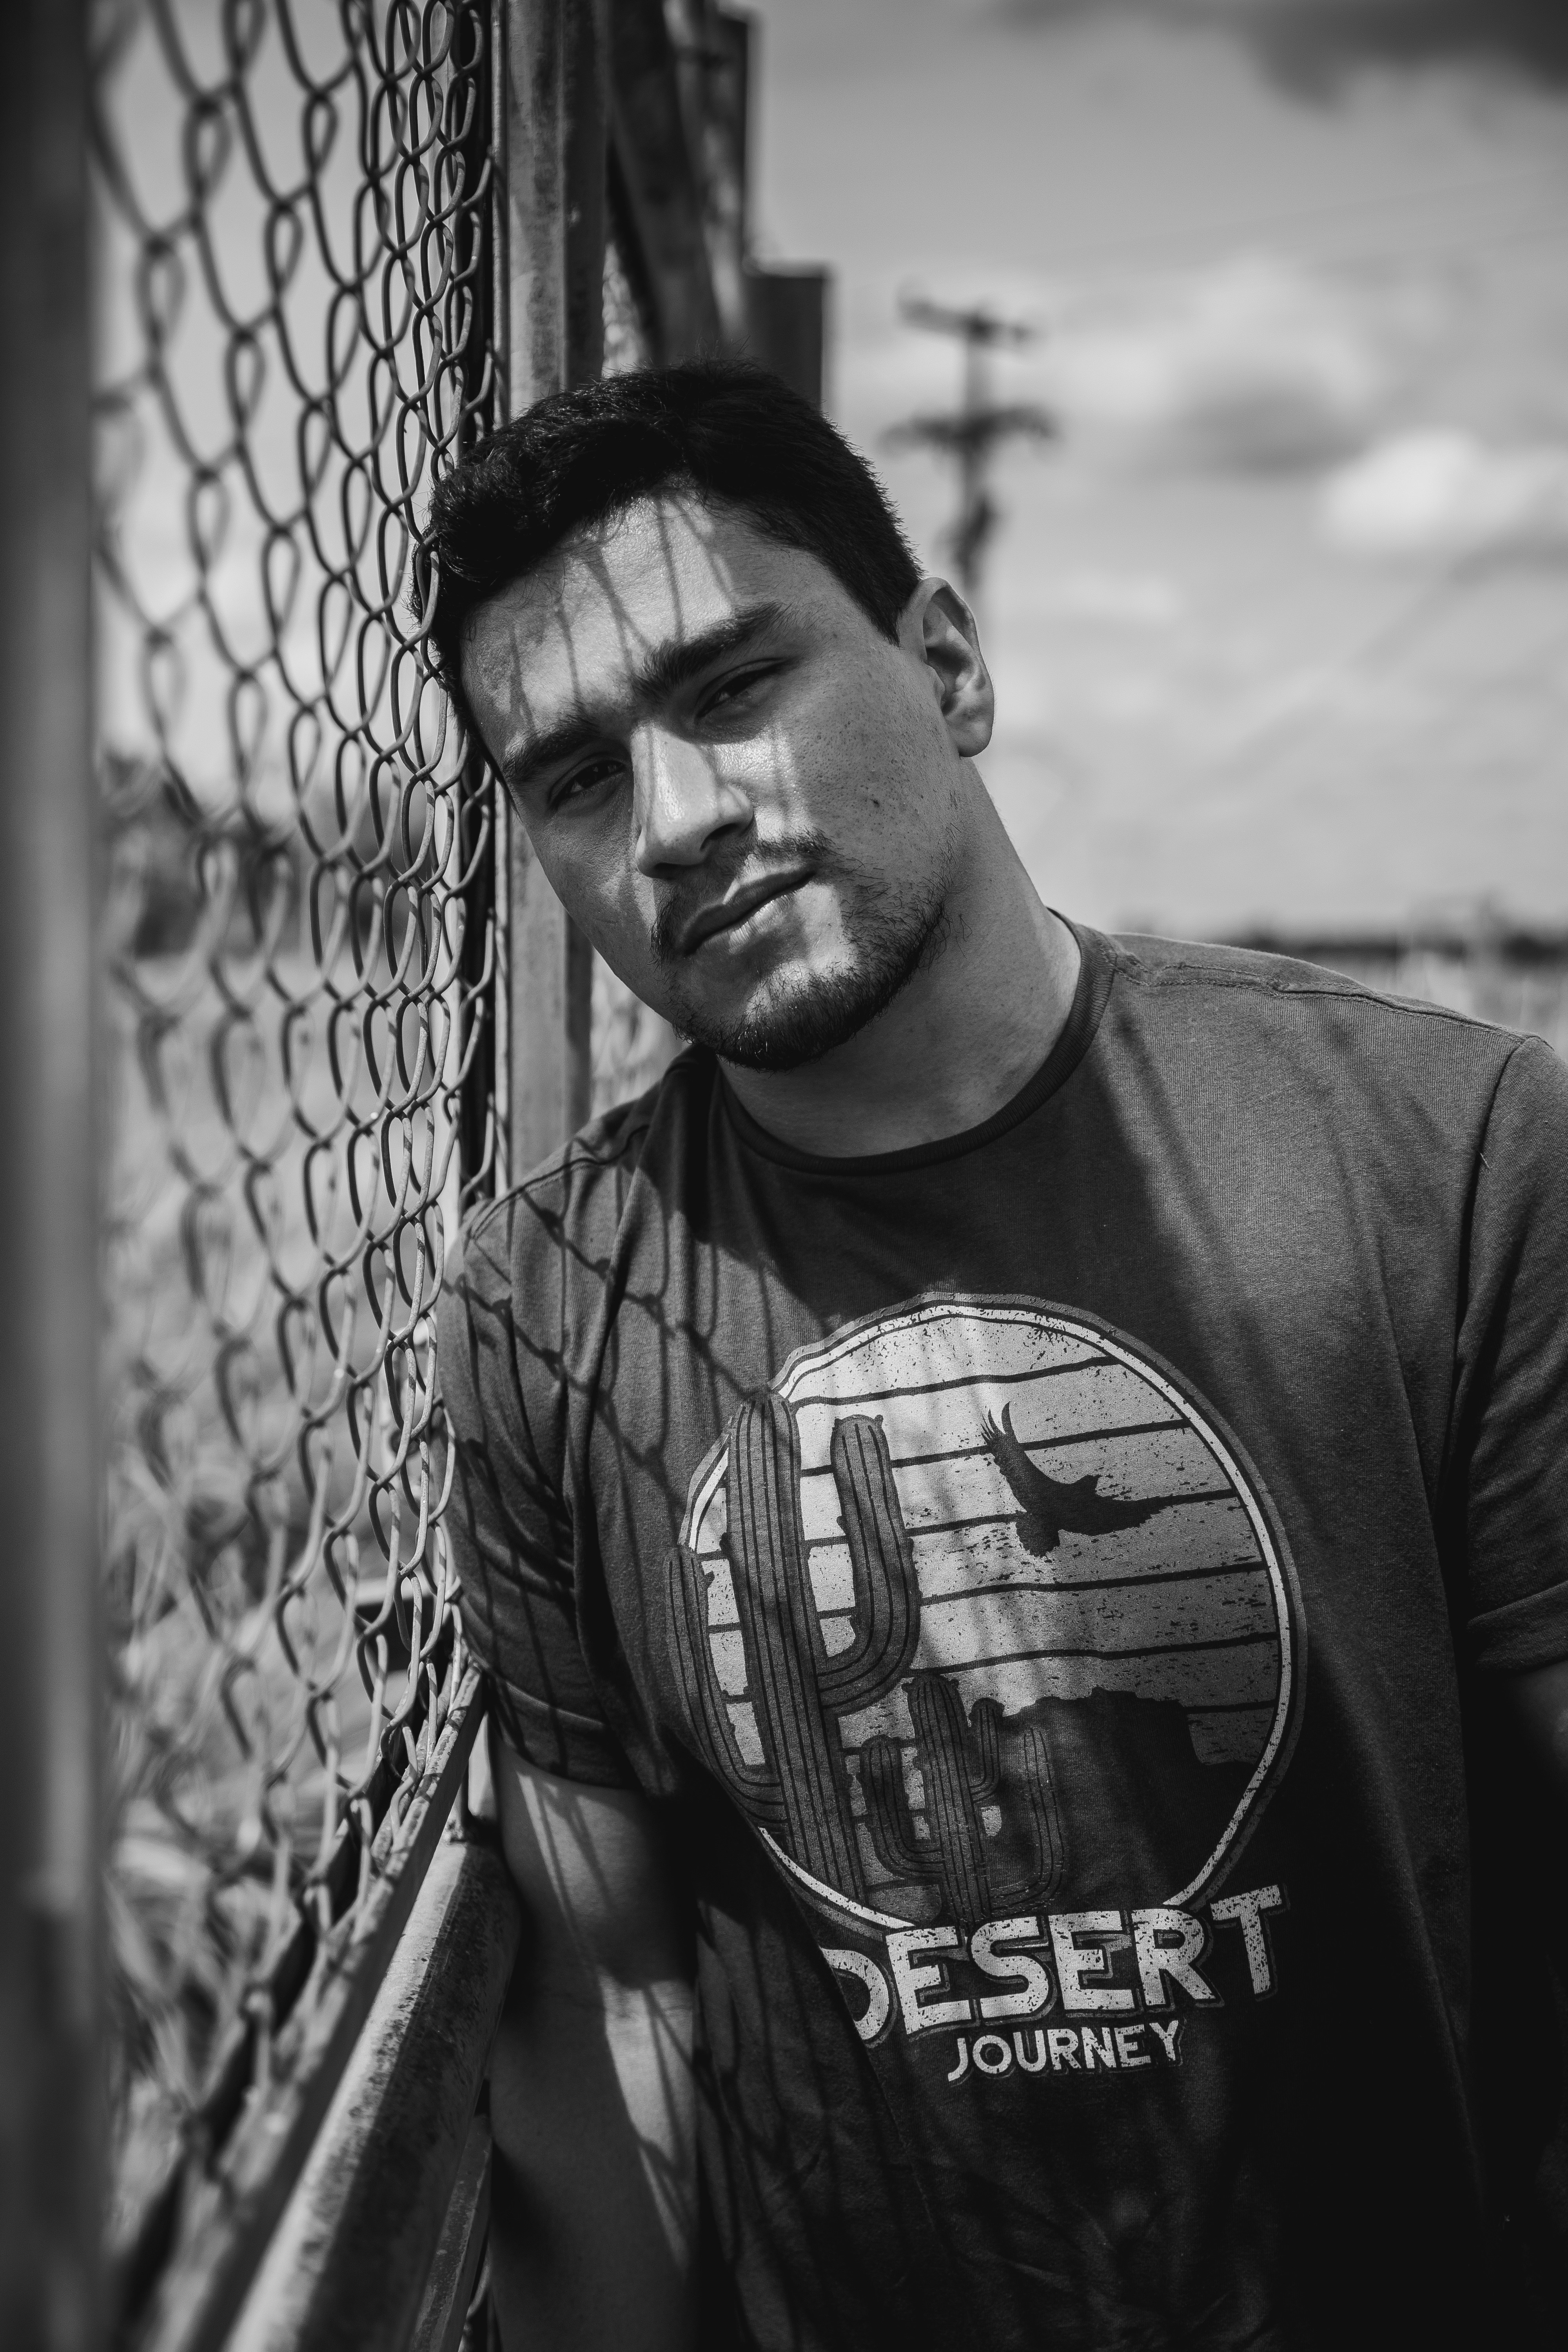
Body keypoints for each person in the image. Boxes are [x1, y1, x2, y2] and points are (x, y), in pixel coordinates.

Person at [427, 360, 1568, 2352]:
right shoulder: (544, 1312)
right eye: (579, 777)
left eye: (730, 687)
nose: (678, 820)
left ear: (945, 667)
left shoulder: (1443, 1155)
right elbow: (617, 2004)